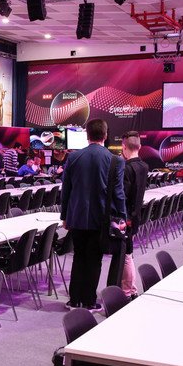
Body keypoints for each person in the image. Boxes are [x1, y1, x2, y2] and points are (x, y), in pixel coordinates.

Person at [60, 118, 126, 311]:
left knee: (79, 257)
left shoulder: (73, 157)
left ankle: (74, 300)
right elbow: (118, 193)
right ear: (105, 135)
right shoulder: (115, 160)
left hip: (76, 217)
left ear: (87, 135)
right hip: (101, 219)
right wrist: (122, 217)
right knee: (95, 260)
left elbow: (66, 190)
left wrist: (65, 216)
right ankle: (89, 301)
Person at [107, 132, 149, 297]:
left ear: (124, 147)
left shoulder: (126, 168)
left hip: (125, 218)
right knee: (128, 253)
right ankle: (131, 289)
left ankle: (127, 291)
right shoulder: (144, 166)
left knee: (125, 255)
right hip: (136, 215)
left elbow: (122, 196)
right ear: (139, 146)